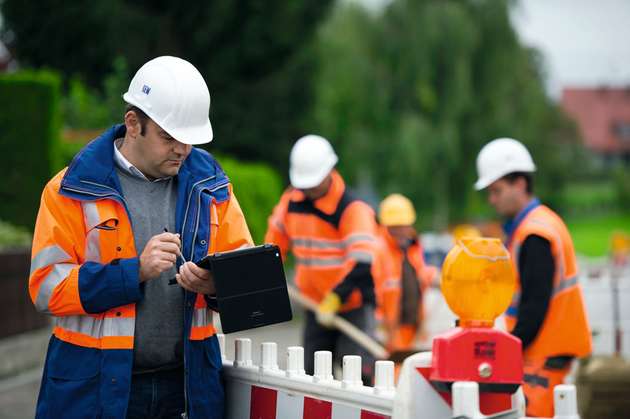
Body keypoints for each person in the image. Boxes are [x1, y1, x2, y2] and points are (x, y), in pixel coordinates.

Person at [29, 56, 252, 419]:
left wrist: (215, 284)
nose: (182, 149)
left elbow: (246, 273)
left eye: (189, 139)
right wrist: (134, 272)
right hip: (94, 385)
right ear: (133, 124)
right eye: (169, 137)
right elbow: (46, 288)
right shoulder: (68, 190)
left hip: (187, 386)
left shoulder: (212, 188)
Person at [474, 138, 592, 417]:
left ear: (520, 184)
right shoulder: (534, 225)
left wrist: (504, 351)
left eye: (496, 191)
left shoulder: (535, 234)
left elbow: (534, 307)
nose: (492, 200)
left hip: (542, 358)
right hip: (544, 354)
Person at [265, 135, 378, 384]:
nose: (308, 190)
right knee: (313, 376)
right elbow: (275, 245)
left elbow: (362, 263)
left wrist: (336, 297)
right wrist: (265, 274)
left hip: (352, 308)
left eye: (313, 184)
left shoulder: (352, 209)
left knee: (356, 379)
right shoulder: (291, 202)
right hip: (315, 306)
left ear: (330, 171)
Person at [373, 194, 435, 354]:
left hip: (412, 327)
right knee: (390, 373)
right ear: (386, 226)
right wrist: (379, 328)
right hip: (389, 330)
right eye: (395, 227)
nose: (401, 231)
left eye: (404, 226)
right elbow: (374, 292)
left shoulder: (413, 248)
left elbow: (420, 276)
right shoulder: (379, 251)